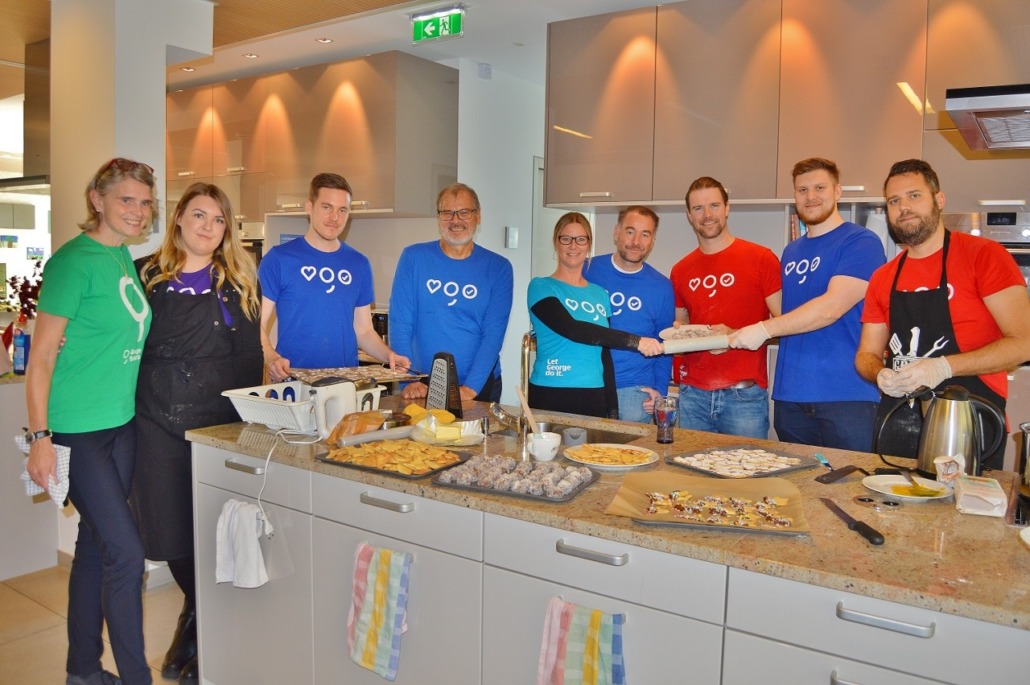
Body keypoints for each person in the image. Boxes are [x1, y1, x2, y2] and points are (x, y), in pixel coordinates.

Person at [25, 158, 155, 685]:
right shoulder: (72, 263)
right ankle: (136, 677)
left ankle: (82, 671)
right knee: (127, 555)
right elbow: (40, 359)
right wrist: (40, 438)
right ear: (97, 200)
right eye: (127, 200)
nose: (138, 211)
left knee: (95, 548)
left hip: (120, 424)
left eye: (145, 203)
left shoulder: (121, 256)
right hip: (77, 430)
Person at [130, 182, 264, 682]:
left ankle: (200, 629)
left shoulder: (239, 281)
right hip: (153, 421)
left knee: (210, 528)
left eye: (219, 219)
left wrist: (243, 428)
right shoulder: (144, 275)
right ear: (179, 219)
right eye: (199, 215)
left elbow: (249, 357)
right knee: (168, 531)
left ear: (227, 229)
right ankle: (196, 613)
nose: (208, 227)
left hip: (216, 424)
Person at [855, 159, 1030, 469]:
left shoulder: (984, 256)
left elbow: (1024, 342)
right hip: (898, 419)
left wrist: (943, 367)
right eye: (894, 201)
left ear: (939, 199)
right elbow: (866, 354)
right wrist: (879, 373)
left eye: (914, 195)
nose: (904, 207)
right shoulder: (883, 277)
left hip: (967, 417)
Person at [729, 158, 885, 451]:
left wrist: (763, 329)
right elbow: (789, 317)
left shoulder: (861, 241)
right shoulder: (791, 251)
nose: (810, 196)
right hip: (790, 395)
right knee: (799, 478)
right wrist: (734, 332)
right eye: (802, 190)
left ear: (837, 191)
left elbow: (831, 308)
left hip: (846, 394)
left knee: (849, 477)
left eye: (819, 188)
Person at [258, 172, 408, 381]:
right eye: (327, 207)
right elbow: (257, 324)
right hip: (293, 382)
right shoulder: (279, 259)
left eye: (342, 210)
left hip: (345, 384)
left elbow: (363, 331)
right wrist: (272, 358)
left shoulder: (359, 264)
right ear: (309, 207)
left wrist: (389, 355)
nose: (334, 218)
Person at [671, 177, 782, 438]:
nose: (707, 215)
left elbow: (784, 325)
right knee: (690, 466)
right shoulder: (680, 270)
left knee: (745, 466)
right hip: (692, 395)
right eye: (698, 208)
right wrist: (680, 330)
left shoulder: (761, 258)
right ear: (689, 215)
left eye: (714, 205)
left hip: (743, 397)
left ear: (727, 208)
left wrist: (734, 335)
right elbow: (682, 324)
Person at [527, 212, 664, 418]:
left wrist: (612, 409)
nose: (573, 246)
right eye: (566, 239)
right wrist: (635, 341)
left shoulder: (599, 294)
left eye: (581, 239)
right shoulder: (541, 286)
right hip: (550, 390)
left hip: (594, 394)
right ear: (556, 243)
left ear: (589, 245)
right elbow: (572, 329)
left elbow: (604, 354)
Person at [389, 183, 513, 403]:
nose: (456, 220)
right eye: (447, 213)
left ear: (478, 216)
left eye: (464, 212)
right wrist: (408, 380)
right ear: (438, 218)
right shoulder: (413, 258)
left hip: (478, 384)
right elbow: (400, 323)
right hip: (422, 383)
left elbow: (493, 334)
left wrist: (471, 389)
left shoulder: (498, 268)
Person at [584, 205, 674, 423]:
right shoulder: (587, 269)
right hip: (587, 384)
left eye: (645, 234)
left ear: (652, 241)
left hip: (635, 392)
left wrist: (659, 392)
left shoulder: (662, 287)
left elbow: (665, 344)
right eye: (630, 231)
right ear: (616, 233)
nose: (636, 241)